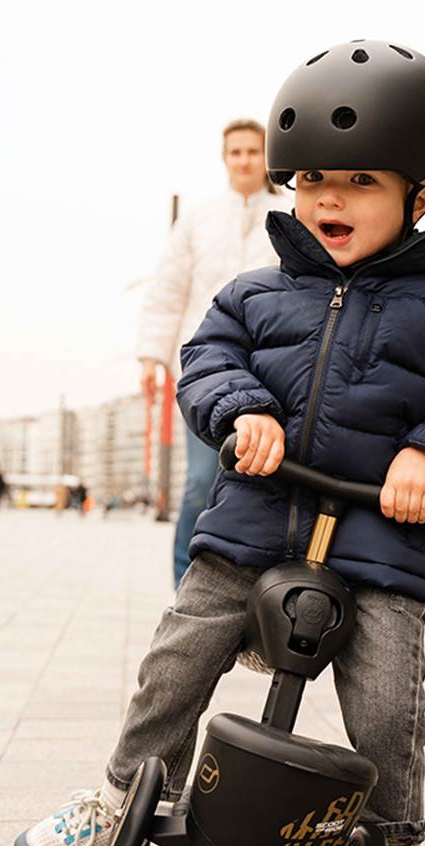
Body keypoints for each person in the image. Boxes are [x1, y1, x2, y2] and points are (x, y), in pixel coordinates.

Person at [12, 41, 425, 846]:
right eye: (314, 181)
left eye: (360, 180)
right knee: (179, 654)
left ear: (421, 193)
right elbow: (206, 362)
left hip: (382, 540)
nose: (328, 200)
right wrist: (242, 409)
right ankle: (121, 788)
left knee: (386, 701)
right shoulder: (254, 293)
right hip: (253, 523)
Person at [137, 118, 287, 587]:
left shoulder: (290, 215)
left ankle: (254, 589)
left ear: (266, 156)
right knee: (201, 482)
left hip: (269, 369)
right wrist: (151, 357)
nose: (244, 160)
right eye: (235, 152)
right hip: (204, 368)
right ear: (224, 159)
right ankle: (185, 587)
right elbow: (168, 288)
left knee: (263, 483)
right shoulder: (198, 218)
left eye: (251, 151)